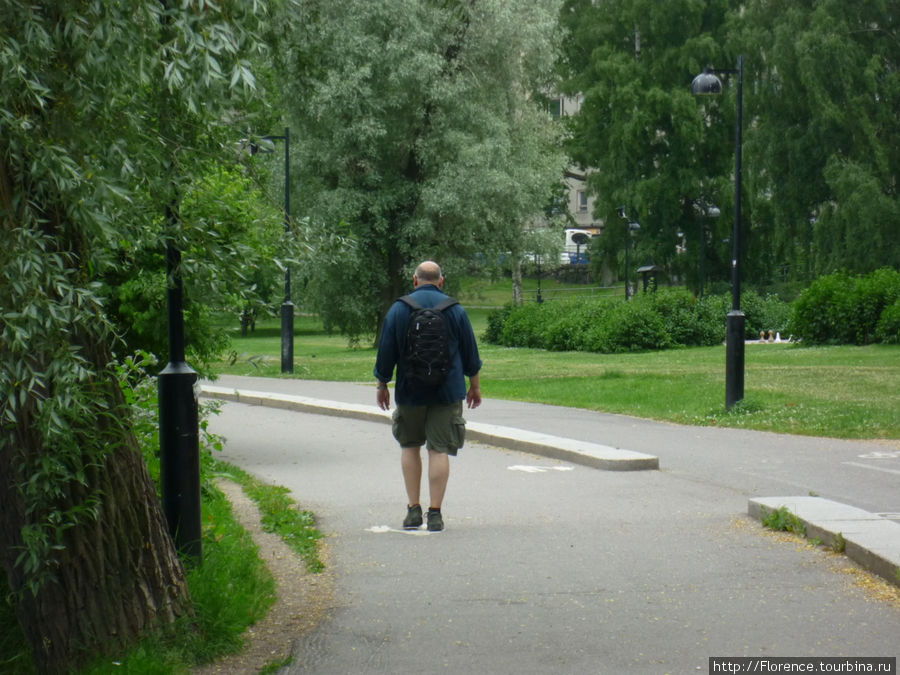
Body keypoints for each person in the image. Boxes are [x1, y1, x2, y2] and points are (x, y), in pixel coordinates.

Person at [374, 260, 482, 532]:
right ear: (441, 281)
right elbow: (470, 354)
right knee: (439, 449)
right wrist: (475, 387)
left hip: (410, 390)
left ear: (415, 280)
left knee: (410, 446)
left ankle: (413, 509)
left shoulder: (399, 309)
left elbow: (386, 351)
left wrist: (382, 384)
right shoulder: (455, 310)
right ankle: (435, 513)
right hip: (446, 392)